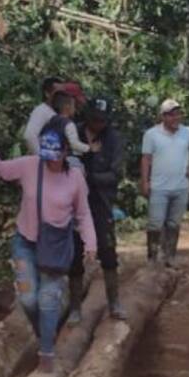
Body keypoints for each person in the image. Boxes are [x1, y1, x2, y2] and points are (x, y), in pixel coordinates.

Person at [0, 118, 97, 372]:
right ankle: (44, 333)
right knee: (28, 298)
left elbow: (84, 214)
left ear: (65, 151)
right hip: (25, 243)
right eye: (47, 154)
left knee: (48, 298)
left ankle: (47, 353)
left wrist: (90, 244)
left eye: (56, 155)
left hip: (55, 246)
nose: (51, 160)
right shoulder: (30, 165)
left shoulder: (75, 178)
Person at [66, 95, 127, 324]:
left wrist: (88, 177)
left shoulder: (113, 139)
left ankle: (114, 303)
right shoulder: (74, 134)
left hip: (100, 203)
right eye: (94, 119)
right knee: (74, 255)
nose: (97, 124)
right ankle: (74, 308)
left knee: (108, 252)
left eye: (102, 120)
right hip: (74, 206)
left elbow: (114, 174)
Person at [140, 99, 189, 267]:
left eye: (178, 114)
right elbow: (146, 159)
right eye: (172, 115)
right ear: (163, 116)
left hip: (180, 187)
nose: (176, 118)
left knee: (174, 224)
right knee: (155, 223)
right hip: (159, 187)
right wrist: (145, 182)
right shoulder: (151, 134)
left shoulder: (188, 132)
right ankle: (152, 258)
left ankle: (170, 257)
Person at [23, 76, 64, 154]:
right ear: (47, 93)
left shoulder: (57, 112)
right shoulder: (41, 111)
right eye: (57, 93)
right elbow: (29, 136)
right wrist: (41, 158)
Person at [50, 89, 89, 162]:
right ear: (67, 107)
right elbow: (74, 144)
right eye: (73, 105)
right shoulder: (69, 124)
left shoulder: (52, 120)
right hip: (66, 158)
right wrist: (89, 148)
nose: (75, 109)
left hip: (51, 156)